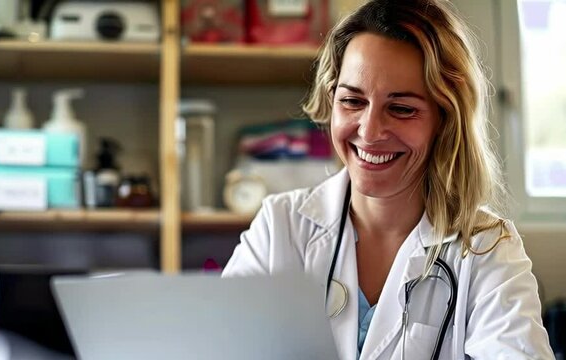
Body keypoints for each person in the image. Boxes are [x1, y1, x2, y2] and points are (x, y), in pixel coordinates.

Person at [222, 0, 555, 359]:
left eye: (401, 108)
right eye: (352, 100)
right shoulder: (281, 228)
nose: (369, 131)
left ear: (444, 120)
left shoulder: (488, 250)